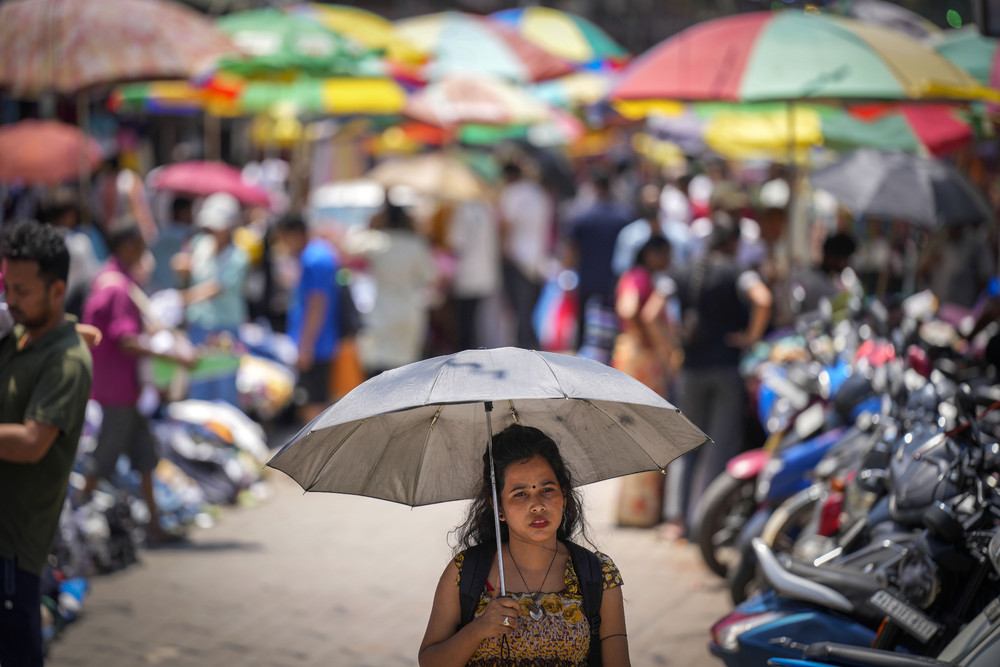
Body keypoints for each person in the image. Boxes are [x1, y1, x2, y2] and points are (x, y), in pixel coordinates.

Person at [418, 424, 630, 666]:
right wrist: (478, 629)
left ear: (564, 496)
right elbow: (429, 661)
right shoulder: (464, 571)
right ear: (499, 508)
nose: (537, 504)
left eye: (547, 489)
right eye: (520, 494)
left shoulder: (598, 574)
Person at [0, 220, 93, 666]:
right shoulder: (19, 334)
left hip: (14, 550)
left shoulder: (66, 360)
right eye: (6, 288)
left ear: (58, 291)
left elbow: (31, 443)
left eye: (22, 291)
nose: (11, 300)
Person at [80, 221, 196, 545]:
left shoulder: (110, 279)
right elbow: (126, 340)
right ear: (128, 245)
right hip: (117, 388)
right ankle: (72, 518)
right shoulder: (117, 287)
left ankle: (154, 525)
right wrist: (175, 357)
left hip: (122, 387)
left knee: (145, 456)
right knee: (104, 457)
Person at [671, 212, 772, 534]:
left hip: (691, 368)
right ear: (733, 242)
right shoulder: (737, 271)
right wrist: (751, 338)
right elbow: (763, 299)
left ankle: (676, 520)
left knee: (685, 444)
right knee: (719, 446)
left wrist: (667, 346)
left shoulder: (683, 270)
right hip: (727, 367)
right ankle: (704, 522)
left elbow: (650, 311)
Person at [612, 236, 681, 530]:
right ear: (651, 254)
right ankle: (640, 511)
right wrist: (650, 339)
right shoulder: (638, 278)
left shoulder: (640, 278)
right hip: (641, 358)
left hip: (637, 355)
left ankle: (639, 510)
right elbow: (628, 310)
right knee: (646, 432)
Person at [342, 200, 436, 377]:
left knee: (378, 370)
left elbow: (349, 245)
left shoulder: (377, 241)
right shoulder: (415, 244)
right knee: (407, 371)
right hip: (409, 310)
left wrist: (371, 225)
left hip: (382, 311)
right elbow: (430, 276)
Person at [173, 192, 249, 405]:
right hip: (198, 327)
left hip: (225, 330)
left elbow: (216, 288)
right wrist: (183, 268)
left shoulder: (239, 257)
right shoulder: (199, 244)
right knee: (199, 388)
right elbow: (190, 270)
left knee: (225, 390)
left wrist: (182, 299)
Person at [274, 213, 341, 424]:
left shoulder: (313, 259)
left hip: (315, 345)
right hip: (318, 343)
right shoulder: (319, 253)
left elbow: (317, 303)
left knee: (313, 405)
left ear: (294, 233)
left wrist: (306, 346)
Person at [564, 167, 634, 360]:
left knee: (584, 328)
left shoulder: (582, 217)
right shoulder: (625, 216)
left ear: (594, 187)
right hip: (614, 282)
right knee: (615, 329)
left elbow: (571, 252)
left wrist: (567, 274)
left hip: (587, 280)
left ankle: (580, 370)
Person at [498, 162, 553, 349]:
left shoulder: (512, 194)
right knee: (530, 309)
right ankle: (533, 347)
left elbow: (507, 225)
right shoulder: (541, 194)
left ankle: (523, 349)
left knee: (519, 310)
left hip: (517, 257)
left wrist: (502, 249)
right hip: (538, 259)